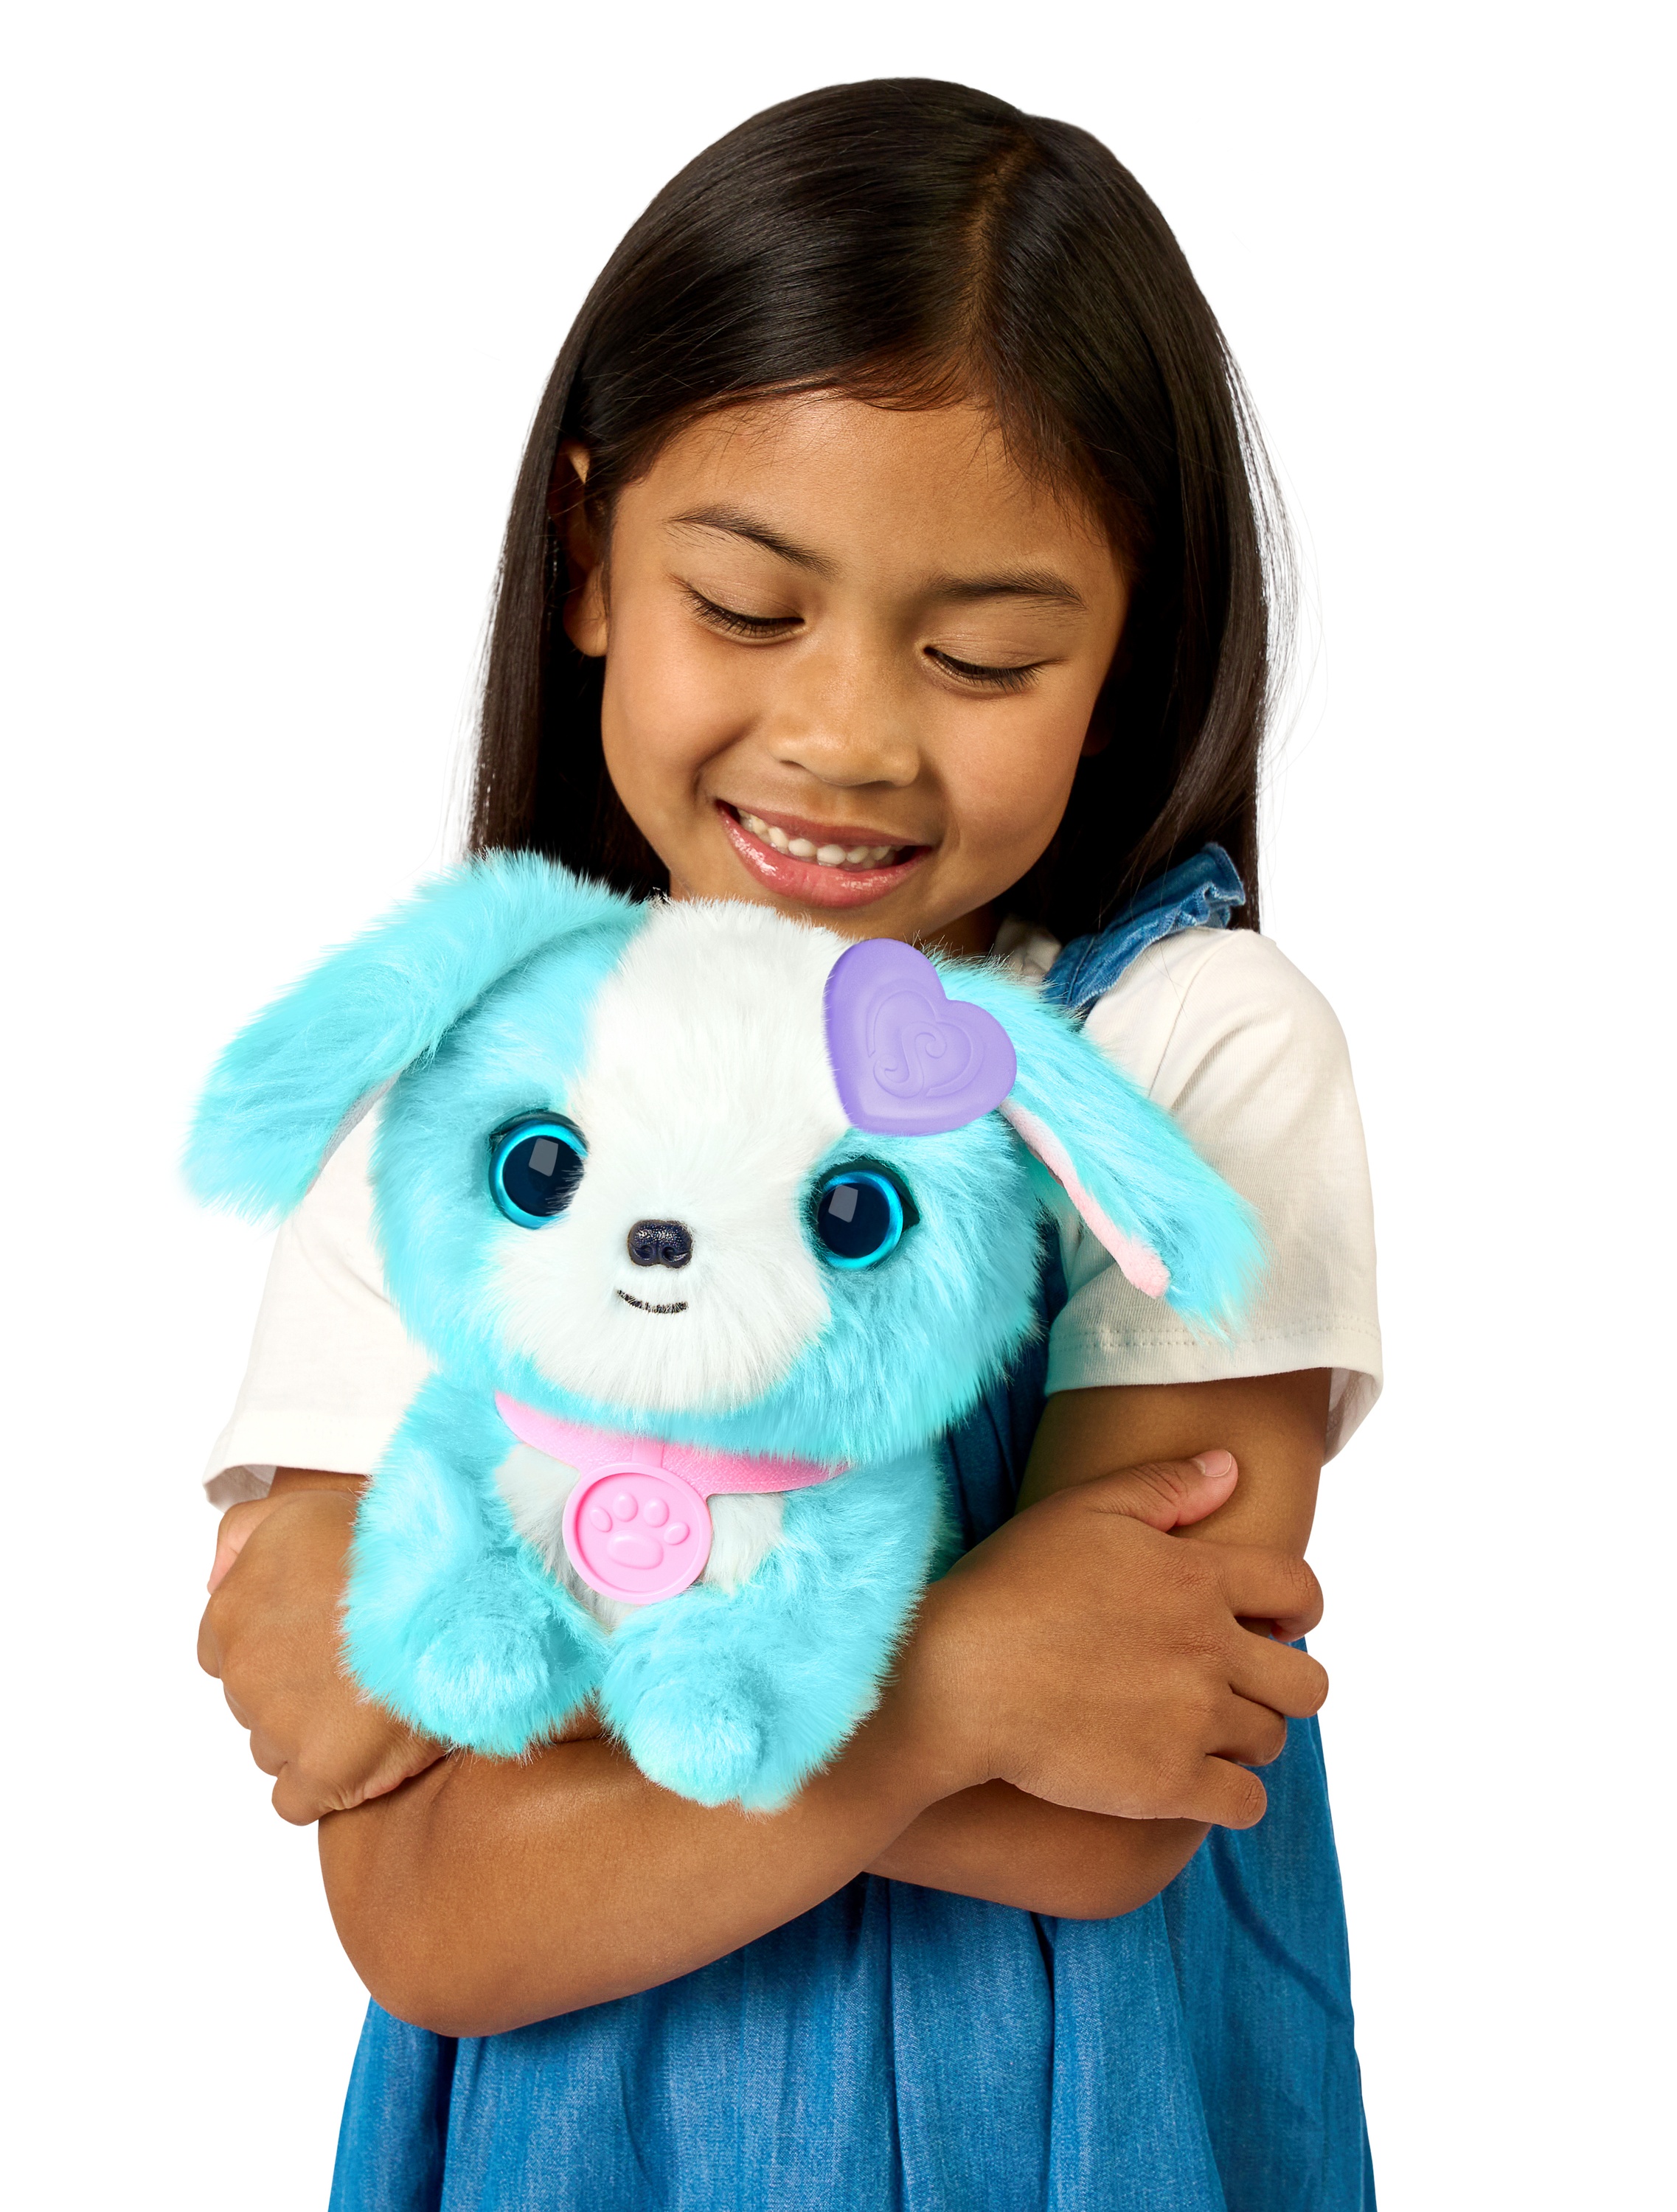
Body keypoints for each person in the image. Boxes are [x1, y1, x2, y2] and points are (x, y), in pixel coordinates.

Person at [197, 77, 1381, 2210]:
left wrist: (480, 1653)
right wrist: (955, 1695)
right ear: (589, 560)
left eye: (984, 655)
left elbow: (1118, 1787)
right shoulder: (460, 1107)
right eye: (749, 608)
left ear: (1124, 653)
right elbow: (436, 1920)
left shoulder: (1183, 1055)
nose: (846, 735)